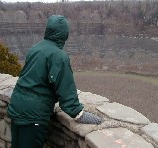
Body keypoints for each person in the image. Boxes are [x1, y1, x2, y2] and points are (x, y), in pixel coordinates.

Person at [7, 15, 102, 148]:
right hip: (33, 115)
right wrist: (80, 114)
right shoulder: (58, 56)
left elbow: (29, 77)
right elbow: (66, 90)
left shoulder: (35, 48)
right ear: (64, 34)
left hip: (17, 107)